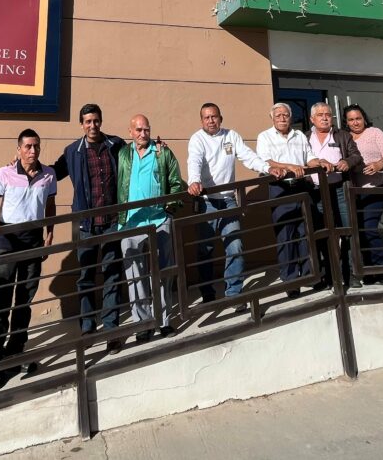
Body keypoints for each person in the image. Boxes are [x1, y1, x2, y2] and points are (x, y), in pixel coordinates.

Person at [0, 129, 56, 391]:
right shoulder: (4, 173)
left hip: (33, 241)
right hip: (7, 243)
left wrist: (49, 235)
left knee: (24, 301)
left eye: (36, 147)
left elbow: (50, 206)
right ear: (18, 149)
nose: (33, 151)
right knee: (1, 302)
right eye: (28, 147)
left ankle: (16, 352)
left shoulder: (49, 175)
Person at [187, 103, 284, 307]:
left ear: (220, 118)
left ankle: (234, 294)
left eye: (214, 117)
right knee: (205, 250)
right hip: (206, 202)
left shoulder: (232, 136)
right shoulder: (197, 139)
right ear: (201, 120)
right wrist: (194, 181)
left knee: (235, 245)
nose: (211, 120)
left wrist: (267, 168)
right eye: (206, 117)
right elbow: (194, 161)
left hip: (228, 200)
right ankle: (207, 292)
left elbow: (248, 157)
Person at [51, 103, 126, 353]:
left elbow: (137, 161)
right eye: (87, 121)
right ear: (81, 124)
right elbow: (51, 173)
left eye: (95, 120)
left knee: (112, 274)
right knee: (85, 277)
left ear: (100, 121)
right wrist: (24, 164)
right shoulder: (73, 151)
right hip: (86, 225)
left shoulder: (116, 145)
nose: (92, 125)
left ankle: (111, 328)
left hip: (112, 222)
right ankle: (87, 325)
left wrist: (158, 151)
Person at [117, 114, 185, 342]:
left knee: (163, 273)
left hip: (158, 220)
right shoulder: (122, 154)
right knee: (135, 276)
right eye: (138, 130)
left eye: (146, 129)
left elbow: (176, 182)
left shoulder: (162, 152)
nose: (142, 134)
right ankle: (144, 323)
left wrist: (169, 209)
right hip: (131, 222)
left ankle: (164, 320)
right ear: (130, 132)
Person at [256, 103, 329, 297]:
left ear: (290, 117)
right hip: (280, 189)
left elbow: (309, 158)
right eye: (278, 115)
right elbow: (265, 162)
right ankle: (290, 282)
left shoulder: (299, 135)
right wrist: (289, 167)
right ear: (272, 118)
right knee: (285, 237)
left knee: (306, 234)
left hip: (302, 187)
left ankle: (310, 276)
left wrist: (320, 162)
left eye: (285, 115)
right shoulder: (264, 136)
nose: (282, 118)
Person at [306, 102, 362, 288]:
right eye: (320, 115)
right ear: (312, 119)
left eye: (328, 115)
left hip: (339, 189)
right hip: (316, 192)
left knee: (348, 232)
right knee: (322, 235)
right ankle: (329, 275)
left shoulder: (342, 135)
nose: (324, 118)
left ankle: (352, 275)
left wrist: (348, 161)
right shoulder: (304, 138)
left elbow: (356, 155)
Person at [343, 104, 383, 285]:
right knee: (357, 231)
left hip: (375, 190)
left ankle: (381, 268)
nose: (355, 122)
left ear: (364, 118)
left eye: (358, 118)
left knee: (368, 227)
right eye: (351, 119)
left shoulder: (374, 133)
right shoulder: (345, 138)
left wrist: (379, 165)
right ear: (346, 122)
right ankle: (367, 270)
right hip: (352, 193)